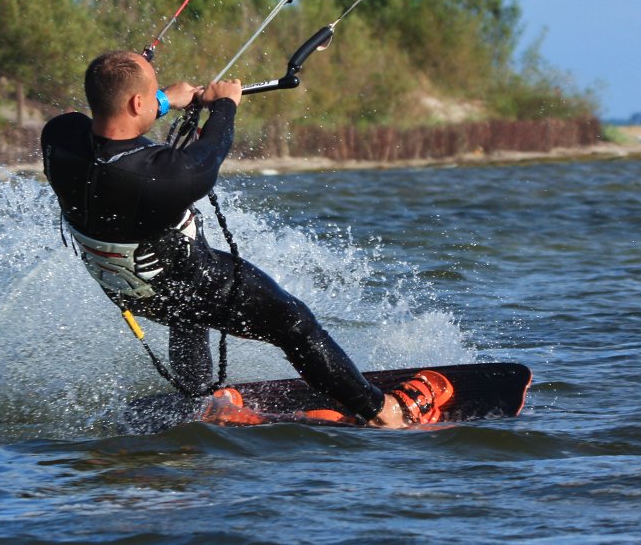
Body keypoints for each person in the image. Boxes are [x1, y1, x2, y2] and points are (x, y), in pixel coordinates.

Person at [40, 50, 425, 428]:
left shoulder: (59, 137)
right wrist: (225, 105)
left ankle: (200, 401)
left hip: (129, 290)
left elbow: (113, 120)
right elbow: (207, 156)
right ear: (136, 101)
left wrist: (164, 99)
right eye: (153, 91)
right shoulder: (158, 176)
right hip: (184, 282)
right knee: (293, 324)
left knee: (186, 315)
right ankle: (382, 412)